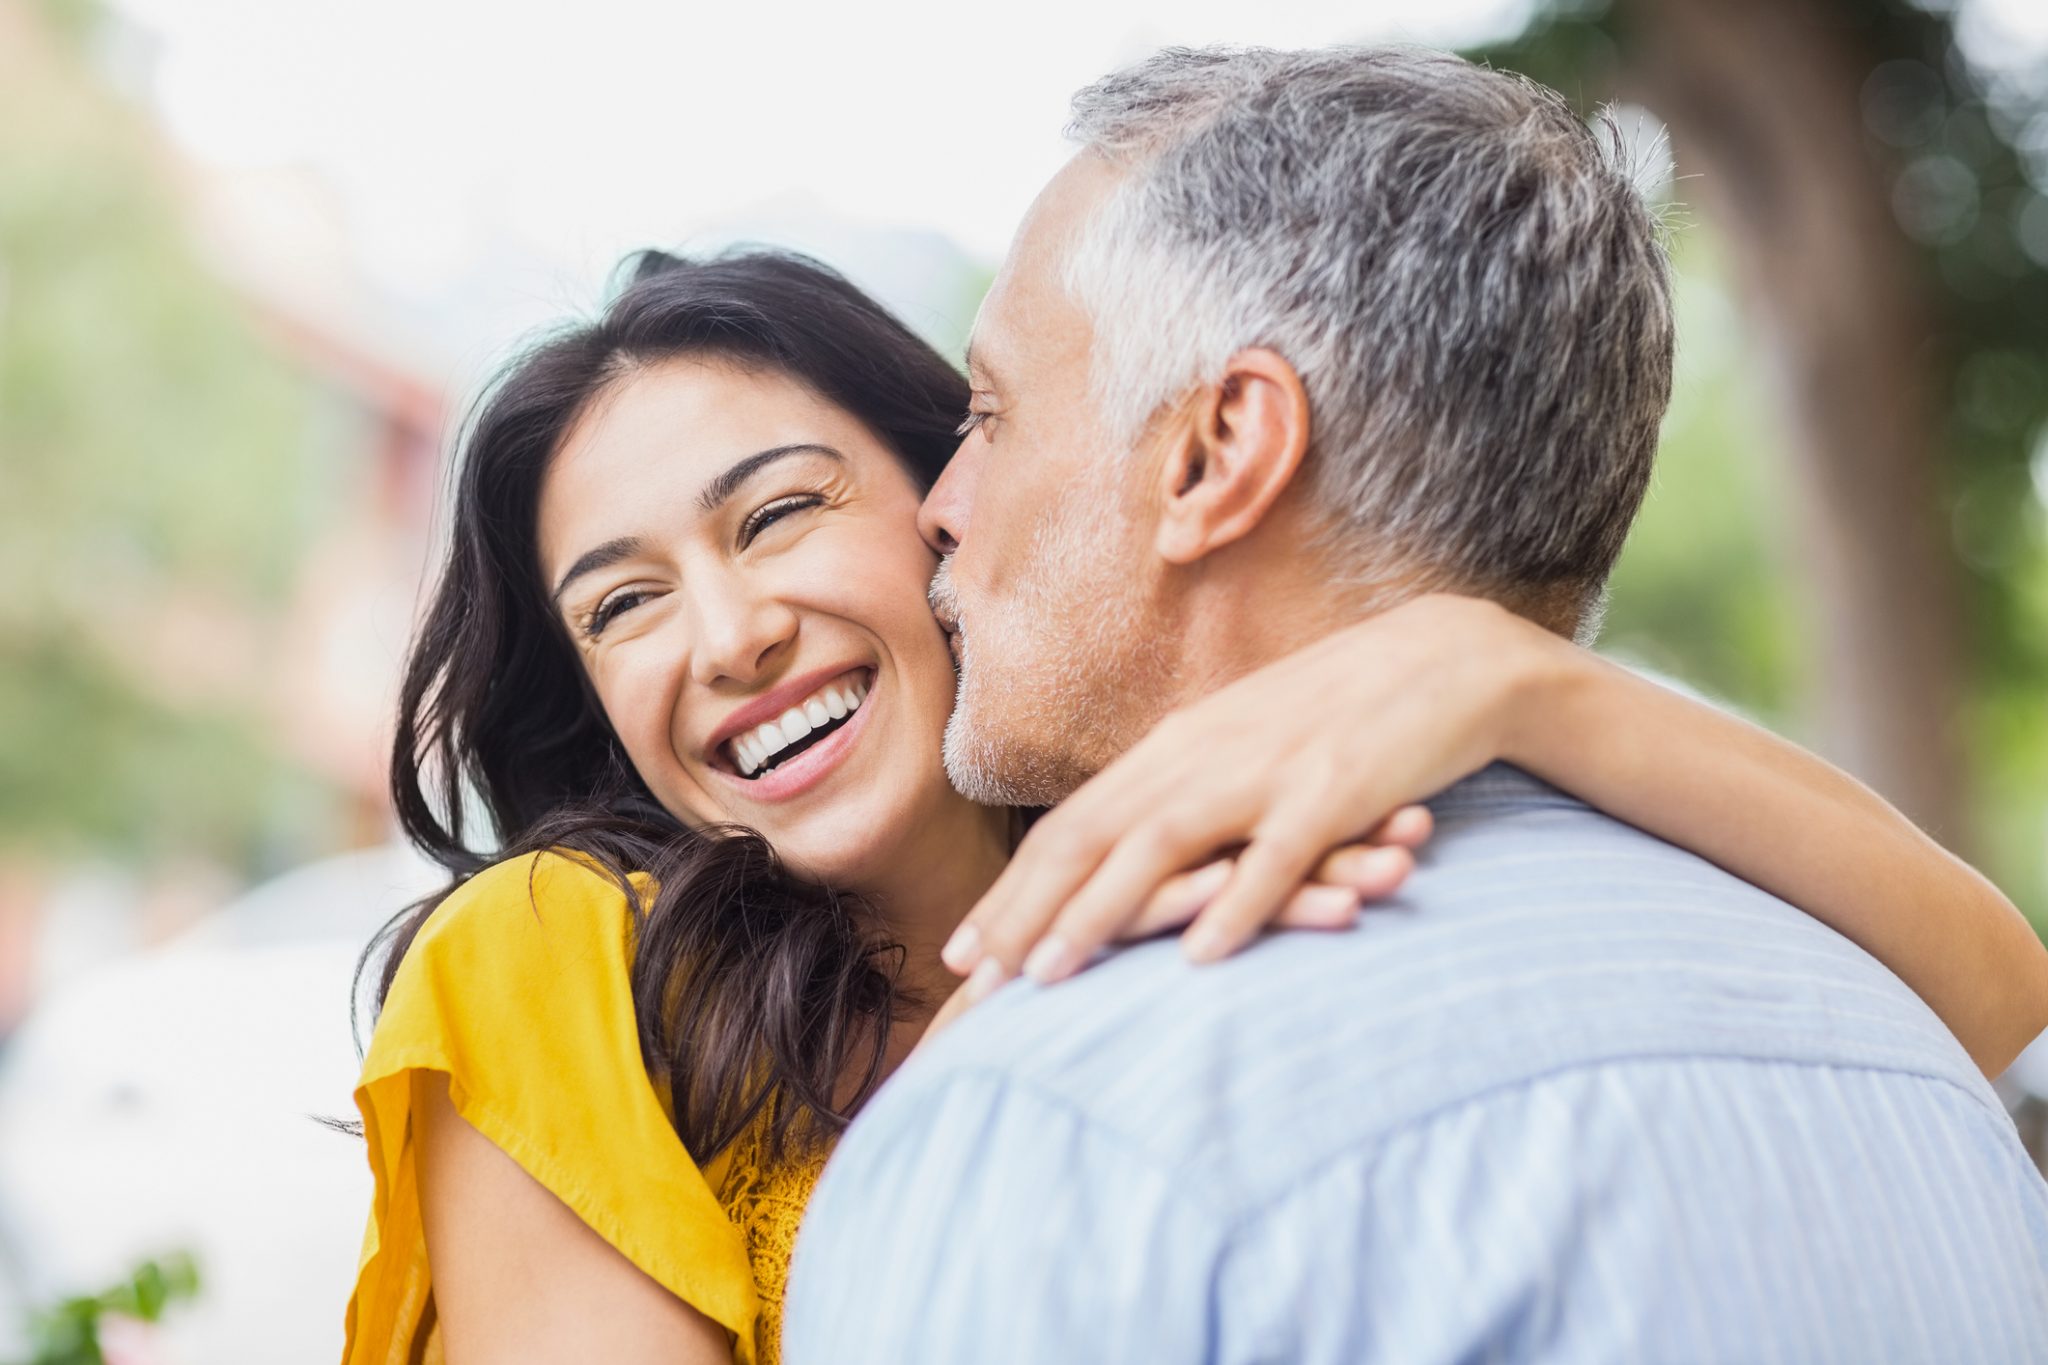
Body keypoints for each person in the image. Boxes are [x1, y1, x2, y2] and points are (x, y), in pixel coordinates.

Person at [342, 149, 2046, 1365]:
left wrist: (1525, 686)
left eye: (780, 511)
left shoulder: (1232, 823)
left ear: (954, 504)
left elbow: (1991, 1002)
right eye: (623, 605)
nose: (723, 638)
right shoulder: (559, 964)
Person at [781, 45, 2048, 1363]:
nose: (942, 507)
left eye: (991, 414)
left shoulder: (1050, 1123)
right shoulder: (1924, 1076)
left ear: (1218, 453)